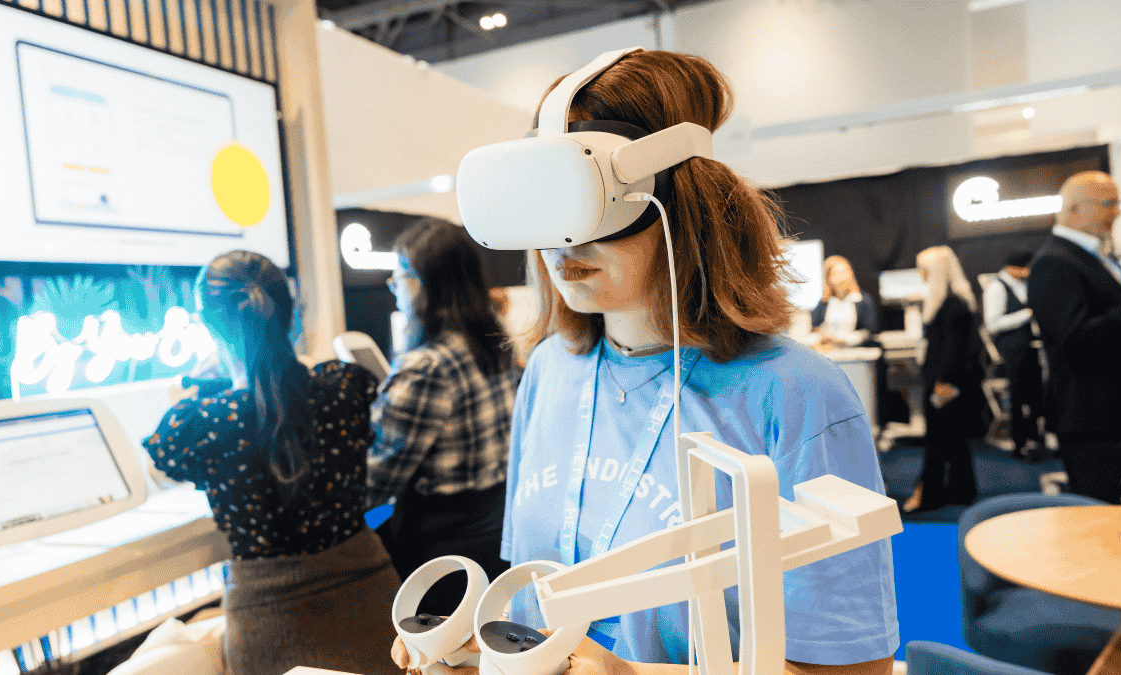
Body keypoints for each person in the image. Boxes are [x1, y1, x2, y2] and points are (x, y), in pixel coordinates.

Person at [396, 50, 898, 675]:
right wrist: (484, 654)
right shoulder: (551, 370)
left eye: (592, 200)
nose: (566, 241)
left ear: (680, 203)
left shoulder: (797, 397)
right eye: (546, 202)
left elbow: (853, 669)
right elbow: (529, 602)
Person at [143, 250, 401, 675]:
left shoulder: (202, 423)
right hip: (375, 618)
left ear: (208, 326)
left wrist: (195, 398)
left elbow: (160, 470)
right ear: (292, 314)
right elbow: (290, 394)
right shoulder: (343, 386)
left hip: (270, 636)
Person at [368, 217, 520, 615]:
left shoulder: (426, 365)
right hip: (495, 531)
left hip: (440, 550)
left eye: (398, 276)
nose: (393, 287)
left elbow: (378, 478)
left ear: (422, 282)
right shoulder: (493, 342)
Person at [1027, 171, 1121, 504]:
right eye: (1109, 204)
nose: (1116, 212)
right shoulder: (1055, 262)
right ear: (1076, 209)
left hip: (1120, 415)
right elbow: (1077, 340)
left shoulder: (1096, 256)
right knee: (1098, 519)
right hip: (1094, 421)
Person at [903, 246, 983, 513]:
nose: (919, 273)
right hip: (952, 383)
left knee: (937, 440)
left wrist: (941, 383)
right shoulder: (958, 300)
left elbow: (952, 350)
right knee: (954, 438)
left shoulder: (950, 304)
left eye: (922, 268)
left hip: (944, 383)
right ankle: (962, 490)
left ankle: (929, 494)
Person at [982, 250, 1045, 461]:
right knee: (1017, 397)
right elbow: (992, 324)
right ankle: (1019, 445)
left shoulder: (1023, 284)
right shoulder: (996, 287)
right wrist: (1026, 315)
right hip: (1011, 348)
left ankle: (1037, 441)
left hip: (1029, 347)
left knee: (1035, 396)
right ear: (1012, 267)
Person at [811, 255, 878, 348]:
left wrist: (845, 339)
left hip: (856, 353)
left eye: (844, 273)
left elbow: (870, 331)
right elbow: (815, 328)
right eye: (836, 275)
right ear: (828, 279)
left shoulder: (862, 300)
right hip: (828, 352)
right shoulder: (824, 303)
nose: (842, 278)